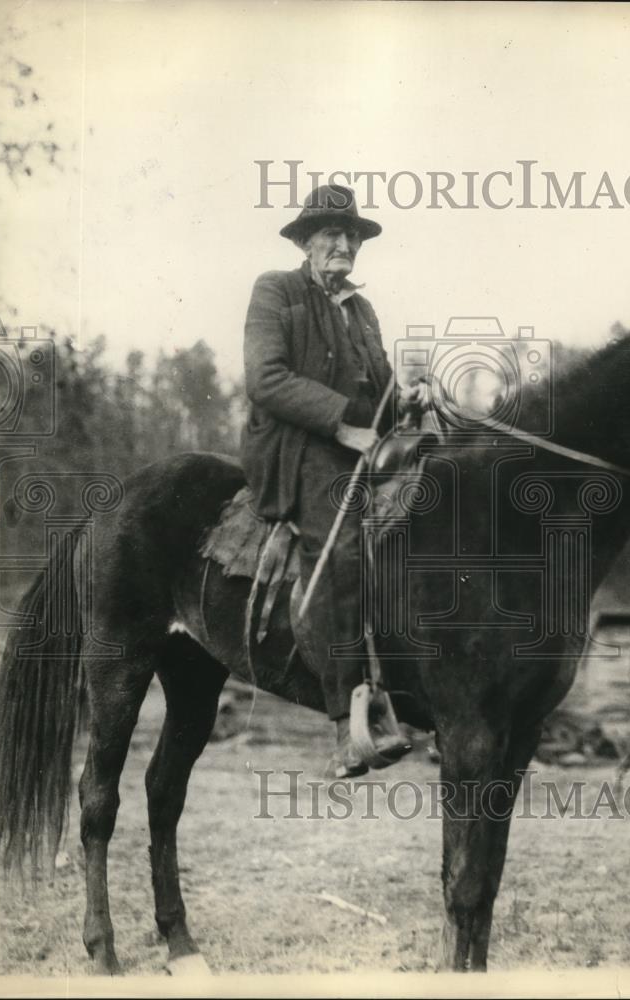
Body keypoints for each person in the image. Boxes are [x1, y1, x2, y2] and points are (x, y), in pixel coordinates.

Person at [239, 184, 425, 777]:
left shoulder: (362, 309)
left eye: (351, 235)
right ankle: (349, 724)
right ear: (304, 241)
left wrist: (409, 400)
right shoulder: (276, 290)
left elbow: (380, 400)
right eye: (330, 234)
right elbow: (266, 380)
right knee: (344, 548)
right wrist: (344, 429)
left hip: (361, 449)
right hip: (296, 449)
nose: (343, 244)